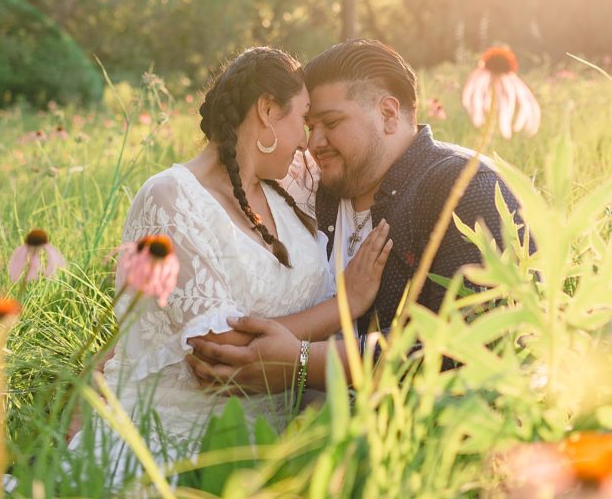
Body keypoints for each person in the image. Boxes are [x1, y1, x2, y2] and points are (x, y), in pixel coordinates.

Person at [70, 47, 391, 486]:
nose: (306, 141)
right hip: (179, 446)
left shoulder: (285, 191)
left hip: (279, 444)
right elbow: (219, 348)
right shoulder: (168, 197)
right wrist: (346, 303)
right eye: (302, 119)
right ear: (266, 110)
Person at [186, 38, 527, 394]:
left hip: (408, 436)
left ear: (389, 114)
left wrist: (302, 364)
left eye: (331, 122)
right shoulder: (307, 187)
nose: (313, 143)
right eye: (308, 125)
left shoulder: (465, 188)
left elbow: (475, 342)